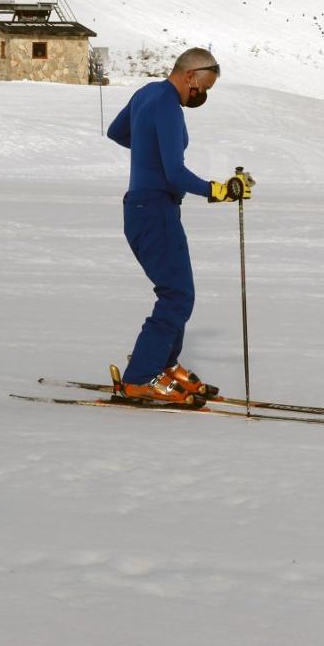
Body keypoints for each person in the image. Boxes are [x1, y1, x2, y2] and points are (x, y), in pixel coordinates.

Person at [106, 47, 246, 405]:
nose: (202, 95)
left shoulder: (146, 94)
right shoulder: (167, 103)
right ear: (190, 75)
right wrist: (218, 191)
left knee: (177, 291)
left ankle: (163, 366)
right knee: (177, 295)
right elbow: (175, 173)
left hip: (142, 207)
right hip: (155, 210)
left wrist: (147, 149)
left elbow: (117, 131)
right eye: (203, 87)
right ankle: (140, 376)